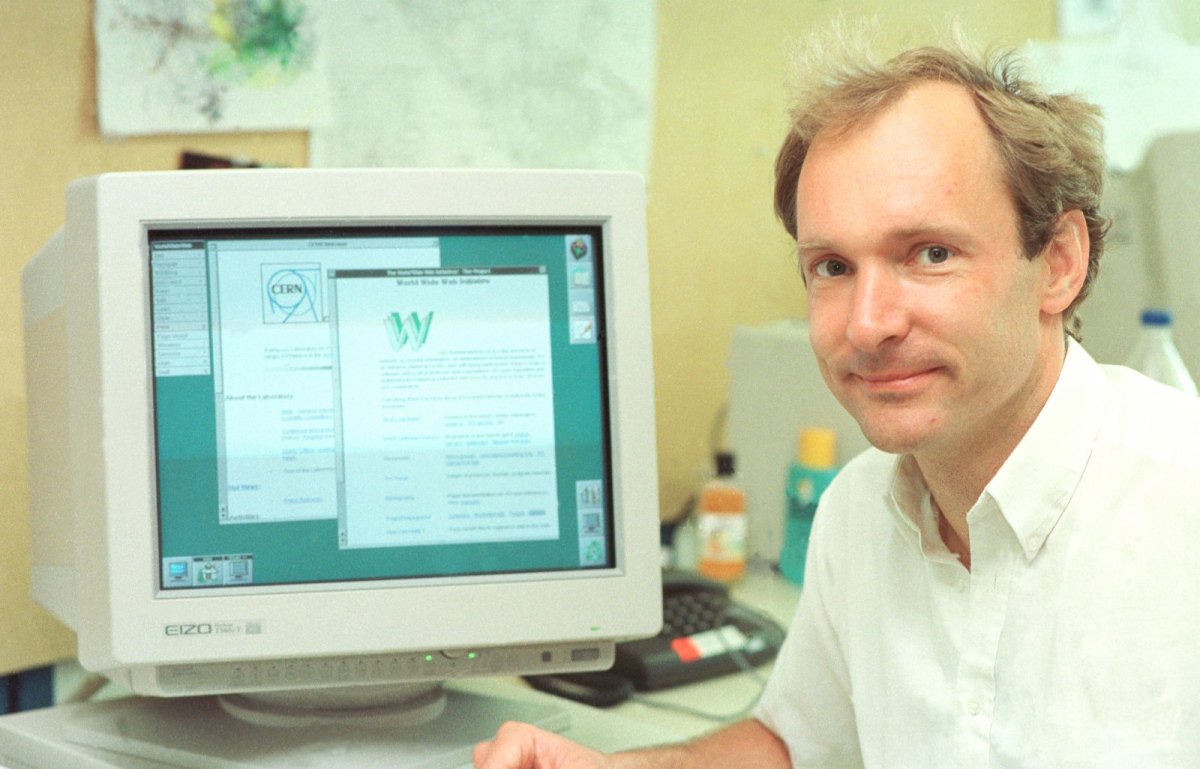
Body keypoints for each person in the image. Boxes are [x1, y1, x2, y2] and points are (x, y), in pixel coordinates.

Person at [475, 29, 1200, 769]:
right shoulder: (858, 513)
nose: (867, 323)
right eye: (832, 265)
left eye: (930, 253)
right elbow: (797, 744)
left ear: (1059, 263)